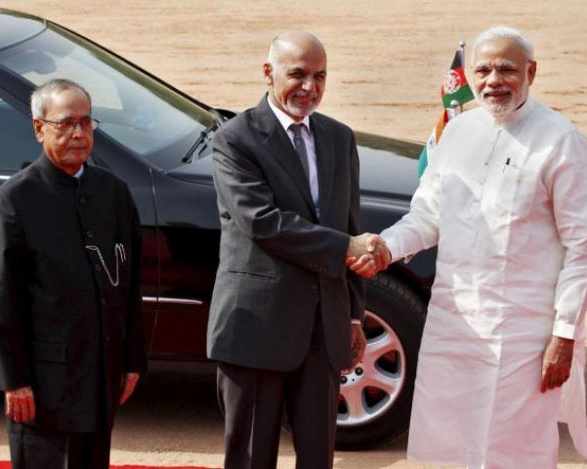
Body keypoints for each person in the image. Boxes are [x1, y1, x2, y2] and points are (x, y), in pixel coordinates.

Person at [349, 25, 587, 467]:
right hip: (453, 324)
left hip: (523, 332)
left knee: (514, 448)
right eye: (483, 69)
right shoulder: (457, 133)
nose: (493, 80)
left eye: (506, 69)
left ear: (531, 72)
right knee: (450, 443)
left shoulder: (562, 142)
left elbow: (582, 249)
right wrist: (385, 247)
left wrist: (564, 335)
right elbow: (428, 217)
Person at [207, 31, 388, 469]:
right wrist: (347, 245)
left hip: (321, 331)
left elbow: (349, 224)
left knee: (318, 457)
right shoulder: (234, 140)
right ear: (268, 72)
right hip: (254, 330)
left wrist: (351, 313)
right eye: (298, 74)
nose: (310, 87)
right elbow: (263, 223)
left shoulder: (339, 138)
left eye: (320, 76)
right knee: (252, 457)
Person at [0, 79, 147, 469]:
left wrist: (132, 359)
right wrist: (12, 379)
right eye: (66, 123)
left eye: (87, 124)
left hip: (100, 373)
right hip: (42, 386)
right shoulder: (15, 201)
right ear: (39, 129)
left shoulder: (113, 193)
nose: (78, 134)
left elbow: (129, 283)